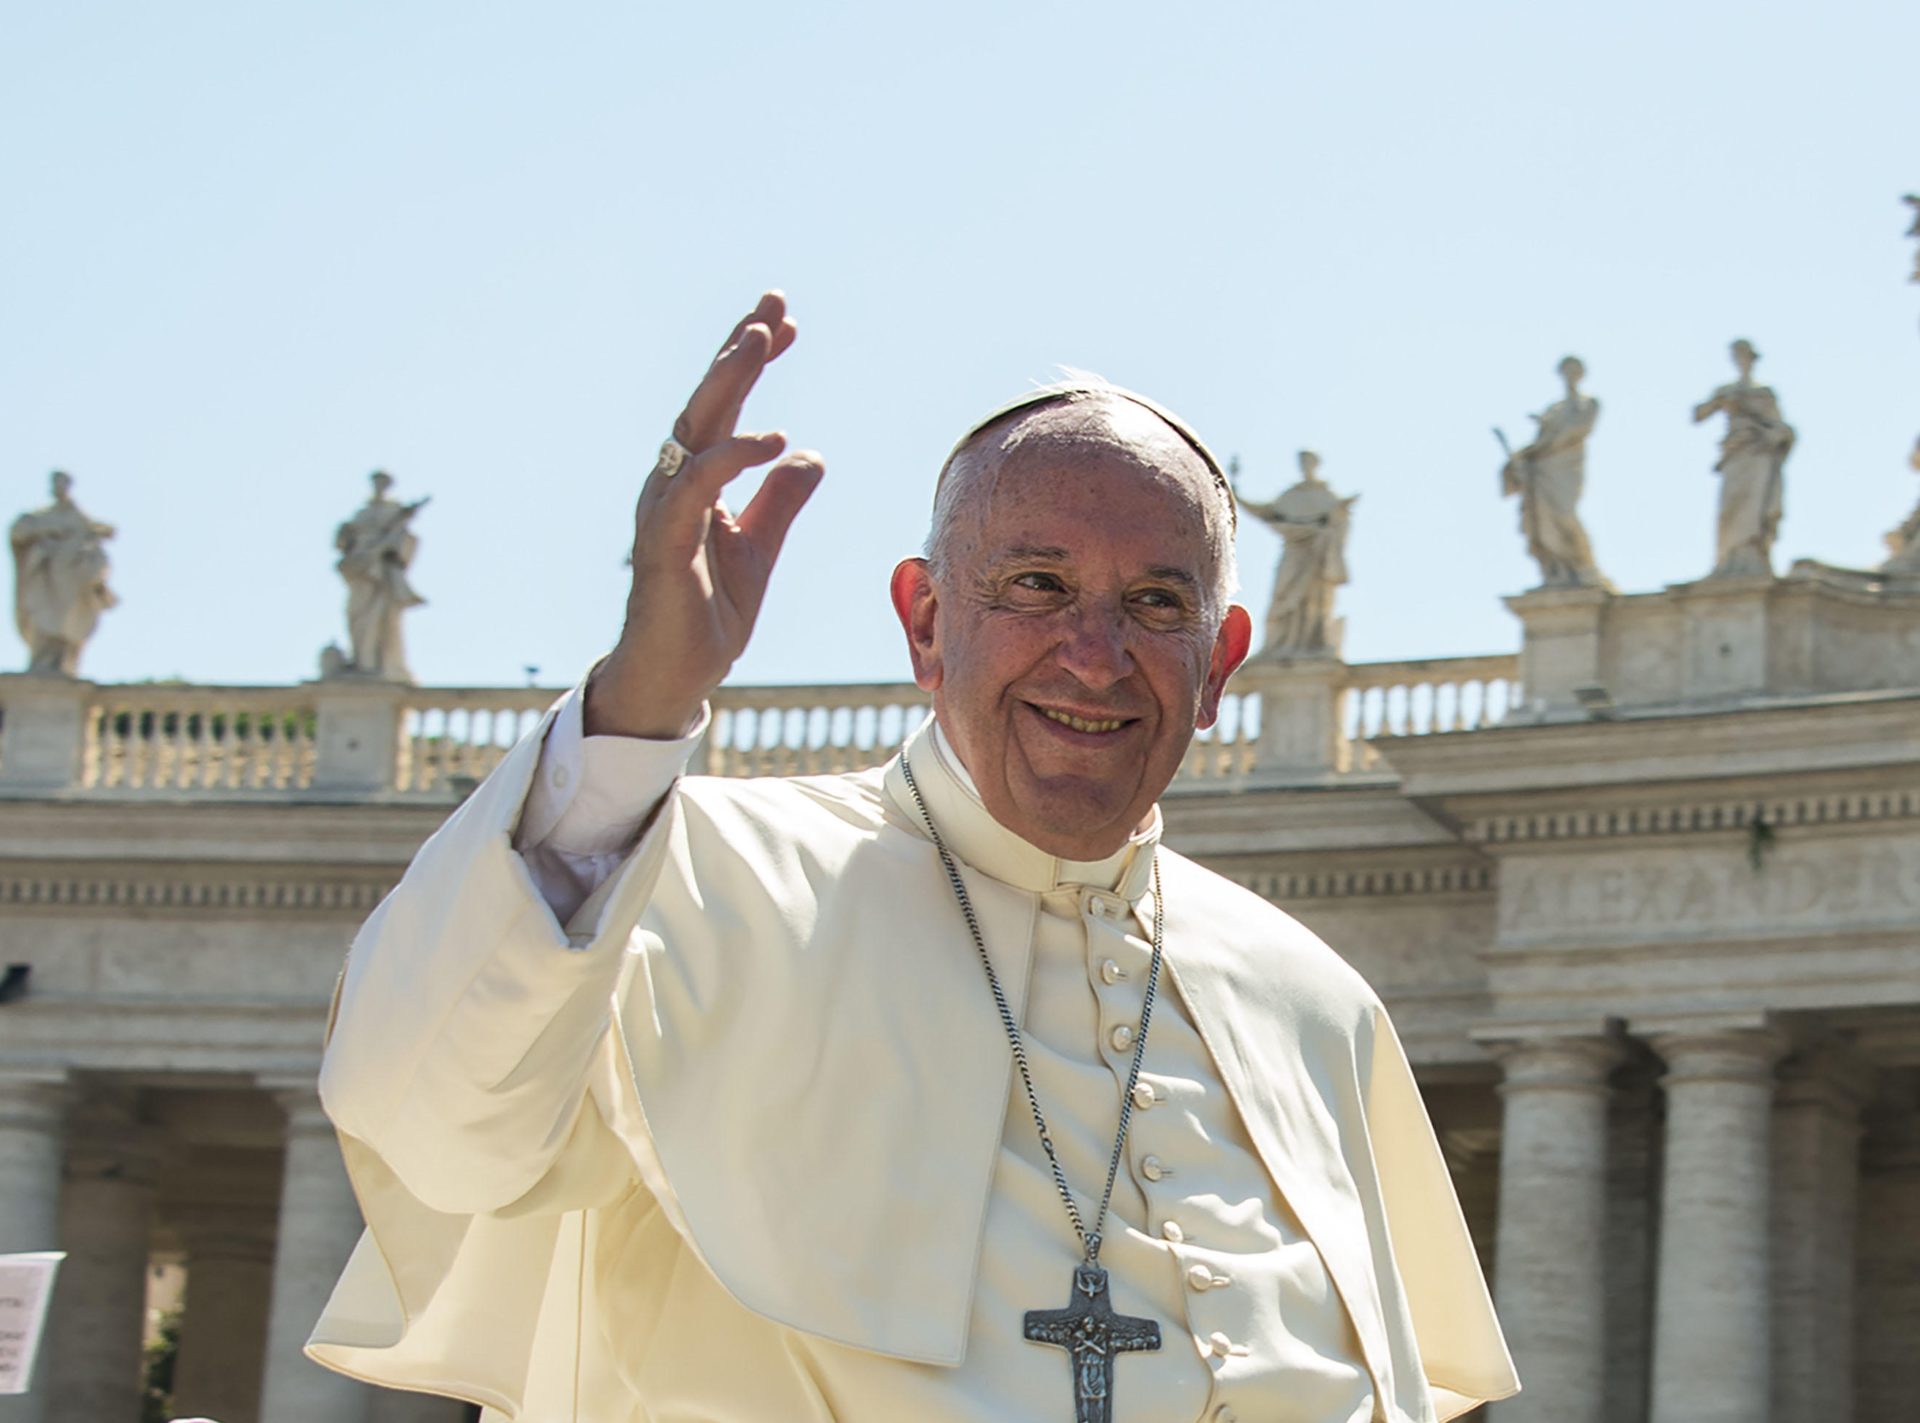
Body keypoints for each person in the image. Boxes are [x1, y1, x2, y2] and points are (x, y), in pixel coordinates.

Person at [309, 293, 1517, 1422]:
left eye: (1156, 603)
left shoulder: (1318, 1005)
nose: (1094, 655)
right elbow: (435, 1120)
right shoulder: (681, 878)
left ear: (1223, 661)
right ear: (928, 625)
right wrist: (637, 709)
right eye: (1036, 585)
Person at [1233, 451, 1356, 657]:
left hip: (1316, 556)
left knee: (1313, 600)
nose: (1305, 465)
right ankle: (1279, 644)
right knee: (1283, 595)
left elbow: (1339, 520)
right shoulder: (1291, 495)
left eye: (1308, 462)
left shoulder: (1326, 496)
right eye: (1302, 462)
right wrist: (1236, 494)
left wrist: (1336, 518)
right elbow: (1263, 510)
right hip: (1294, 554)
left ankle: (1312, 643)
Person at [1499, 356, 1607, 588]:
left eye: (1573, 370)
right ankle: (1557, 569)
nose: (1569, 375)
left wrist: (1540, 446)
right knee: (1542, 516)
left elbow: (1578, 430)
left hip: (1565, 465)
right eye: (1565, 370)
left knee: (1564, 514)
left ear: (1581, 373)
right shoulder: (1553, 409)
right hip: (1544, 466)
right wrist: (1525, 456)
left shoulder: (1589, 403)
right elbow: (1541, 437)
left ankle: (1583, 568)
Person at [1692, 339, 1794, 579]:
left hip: (1758, 454)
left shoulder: (1764, 394)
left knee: (1753, 506)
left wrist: (1771, 435)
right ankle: (1728, 559)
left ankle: (1750, 558)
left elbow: (1782, 429)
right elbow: (1697, 414)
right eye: (1736, 355)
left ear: (1751, 359)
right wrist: (1719, 402)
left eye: (1744, 355)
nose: (1740, 360)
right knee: (1730, 507)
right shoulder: (1727, 390)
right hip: (1734, 453)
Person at [9, 470, 117, 676]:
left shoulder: (78, 518)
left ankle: (61, 663)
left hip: (67, 582)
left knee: (67, 624)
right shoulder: (42, 517)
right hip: (46, 582)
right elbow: (19, 532)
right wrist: (43, 531)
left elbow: (102, 531)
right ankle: (45, 663)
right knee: (43, 619)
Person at [334, 471, 428, 680]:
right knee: (356, 613)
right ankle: (362, 661)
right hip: (360, 567)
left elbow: (405, 541)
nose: (379, 487)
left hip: (379, 570)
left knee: (379, 615)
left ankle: (371, 663)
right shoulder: (362, 513)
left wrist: (393, 541)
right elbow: (343, 541)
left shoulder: (393, 512)